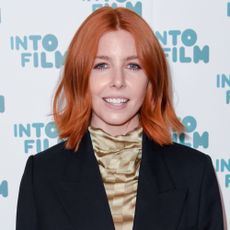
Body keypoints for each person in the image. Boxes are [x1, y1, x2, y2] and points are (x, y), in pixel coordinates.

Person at [16, 6, 224, 230]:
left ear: (151, 80)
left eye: (133, 66)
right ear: (80, 75)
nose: (118, 81)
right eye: (101, 65)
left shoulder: (195, 173)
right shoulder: (42, 174)